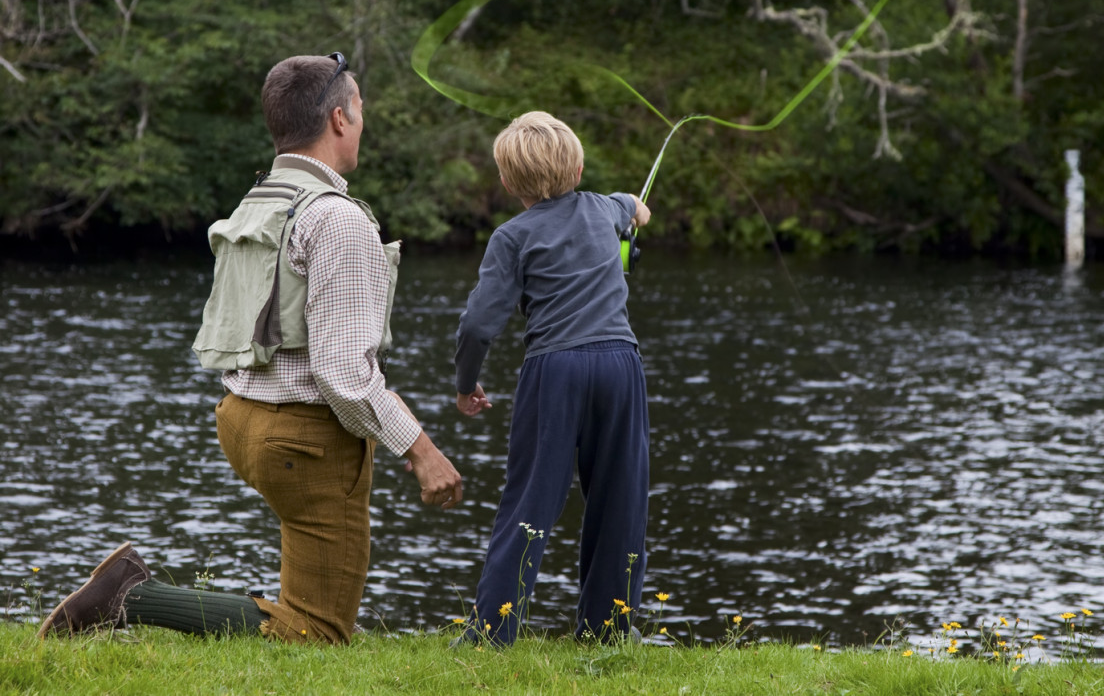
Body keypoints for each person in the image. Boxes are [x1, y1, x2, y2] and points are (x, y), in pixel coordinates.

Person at [38, 53, 463, 645]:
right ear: (339, 118)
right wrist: (419, 450)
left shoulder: (261, 197)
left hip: (242, 420)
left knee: (308, 595)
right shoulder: (339, 220)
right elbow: (344, 374)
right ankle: (132, 595)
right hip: (305, 441)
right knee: (317, 632)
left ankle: (188, 597)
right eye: (362, 110)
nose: (365, 122)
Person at [453, 111, 651, 645]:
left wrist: (465, 382)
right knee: (621, 499)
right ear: (580, 166)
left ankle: (493, 631)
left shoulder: (510, 237)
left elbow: (478, 324)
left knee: (531, 499)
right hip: (620, 365)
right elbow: (634, 206)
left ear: (507, 181)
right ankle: (608, 630)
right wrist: (636, 212)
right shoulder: (604, 209)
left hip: (555, 370)